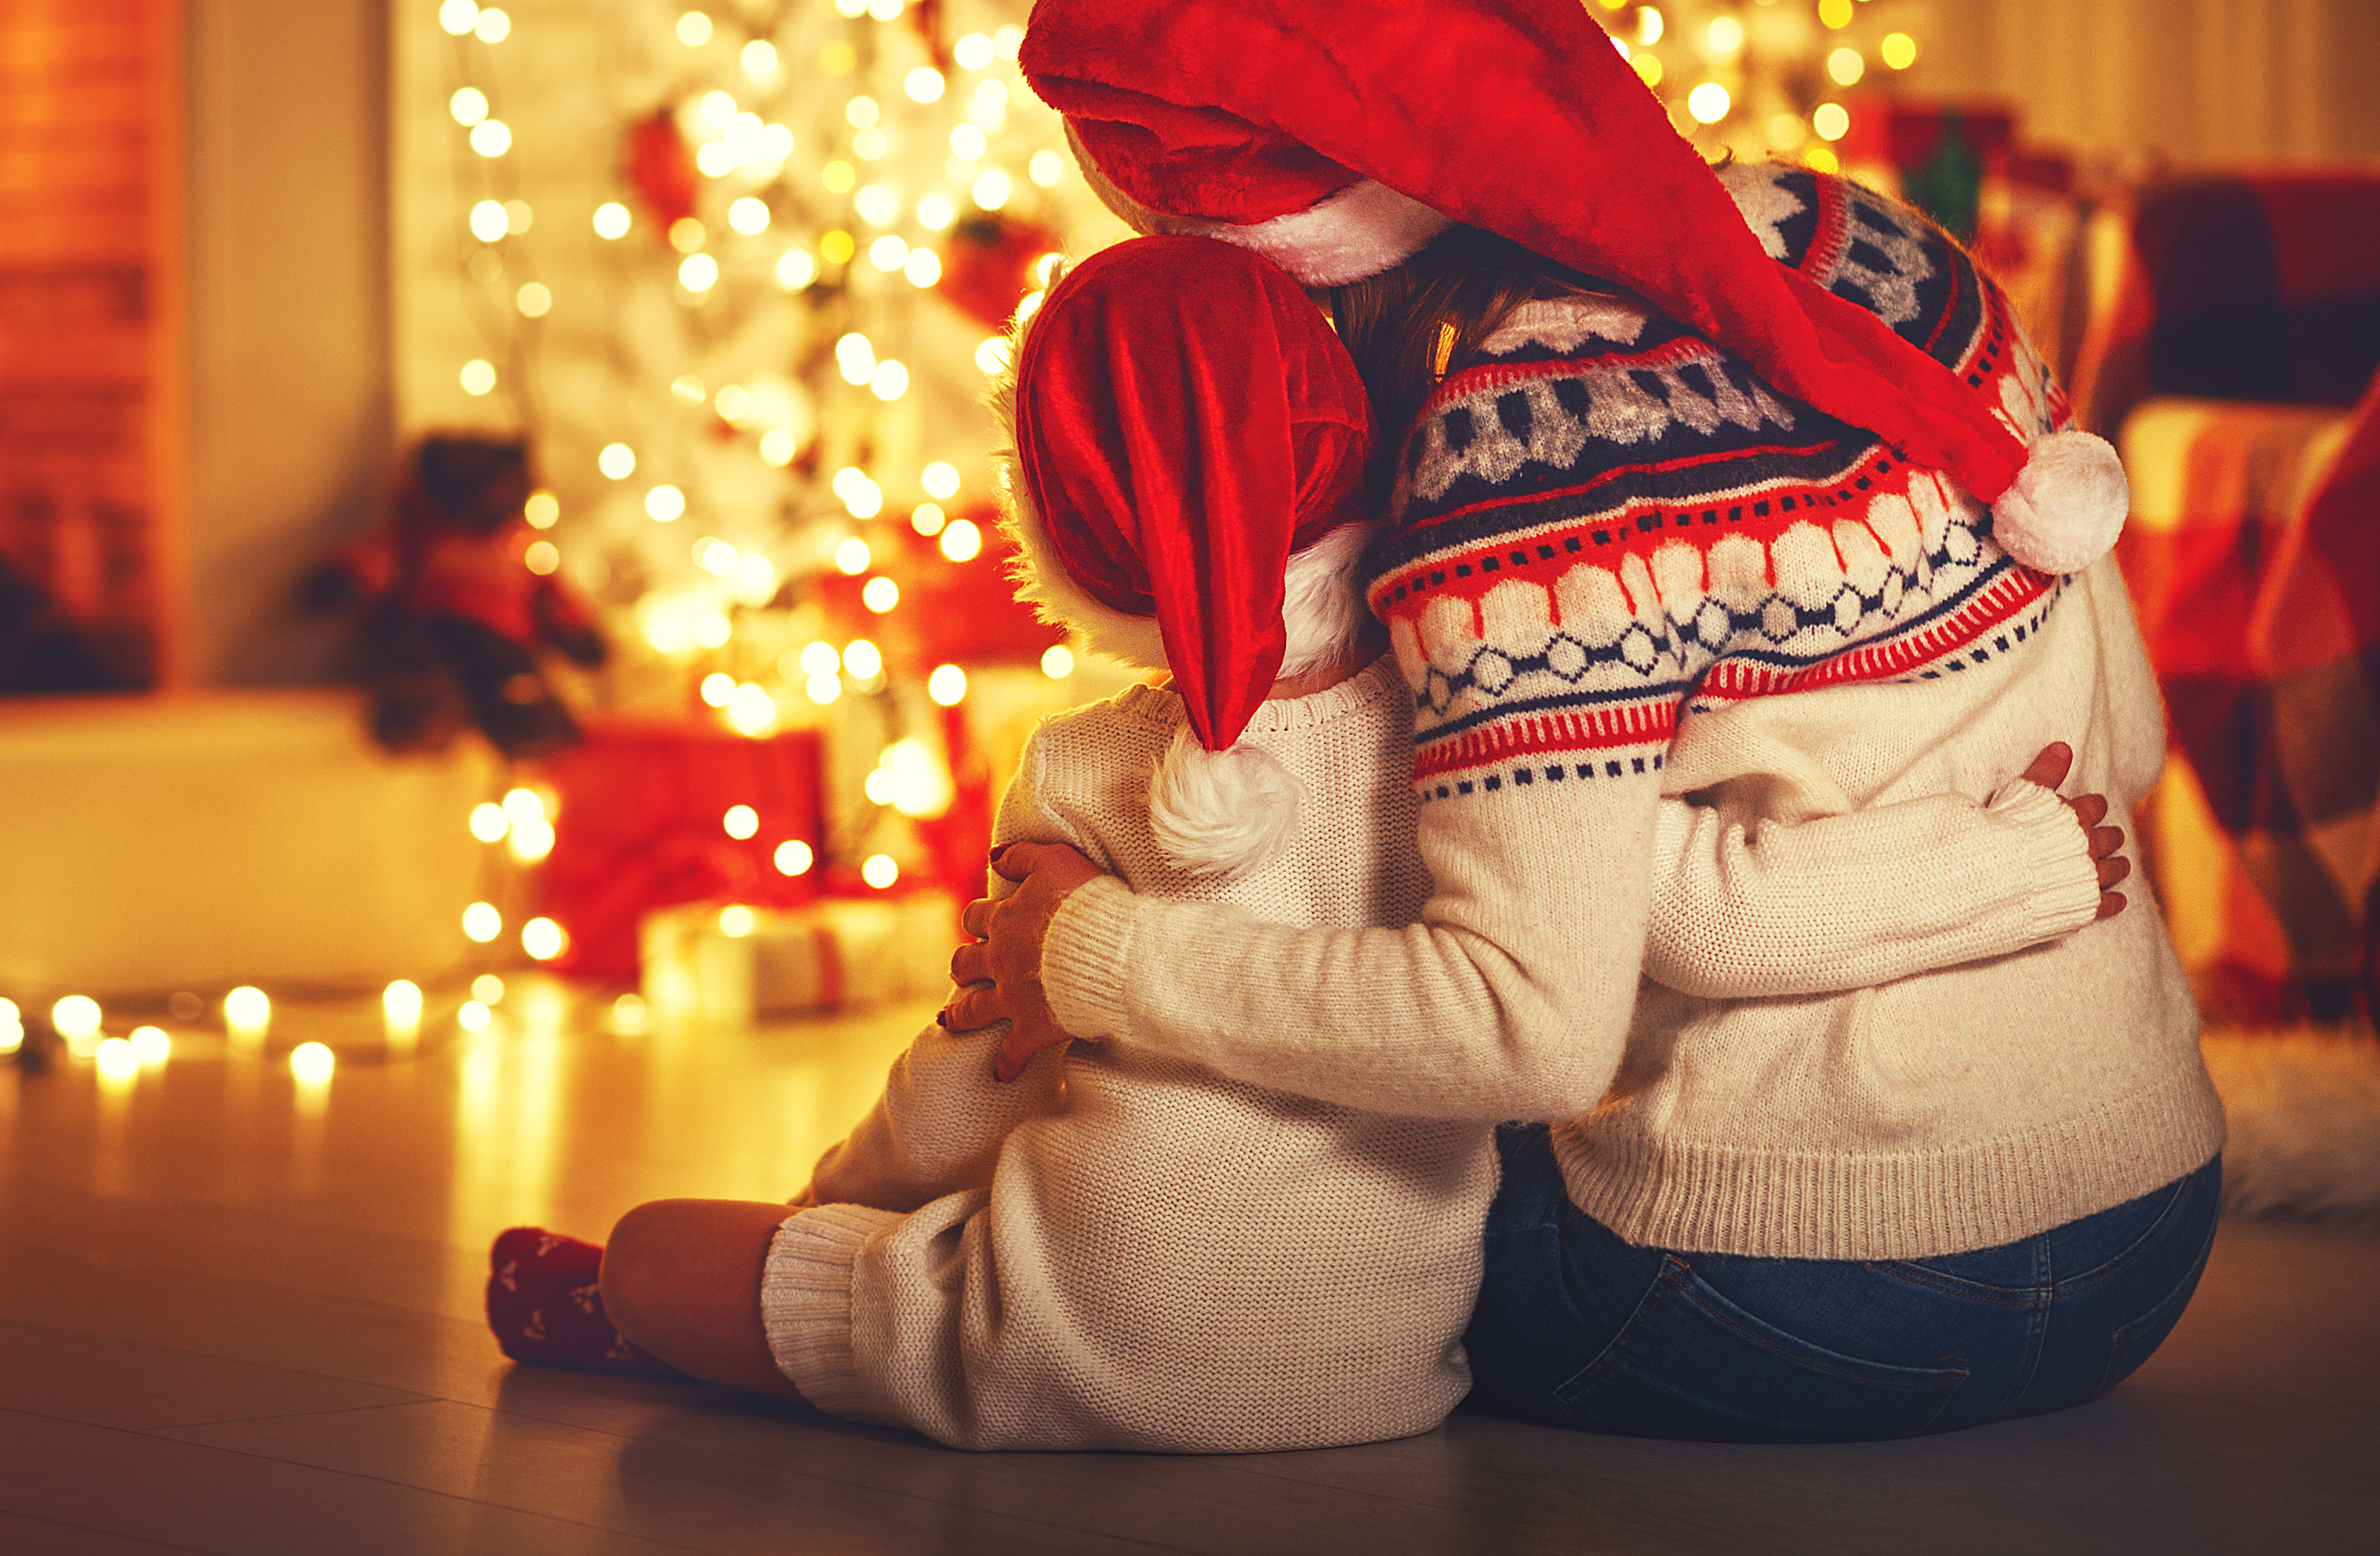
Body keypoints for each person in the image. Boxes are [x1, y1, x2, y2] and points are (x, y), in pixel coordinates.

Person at [952, 0, 2220, 1443]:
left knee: (1248, 1254)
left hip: (1789, 1283)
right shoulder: (1860, 246)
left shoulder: (1514, 456)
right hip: (2146, 1208)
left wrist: (1097, 954)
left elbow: (1519, 1025)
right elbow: (2118, 747)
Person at [487, 234, 2119, 1451]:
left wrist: (835, 1201)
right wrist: (2023, 862)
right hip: (1389, 1373)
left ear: (1058, 535)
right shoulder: (1482, 712)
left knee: (684, 1261)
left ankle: (658, 1307)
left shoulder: (1077, 773)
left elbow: (971, 1076)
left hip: (1052, 1335)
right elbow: (1697, 910)